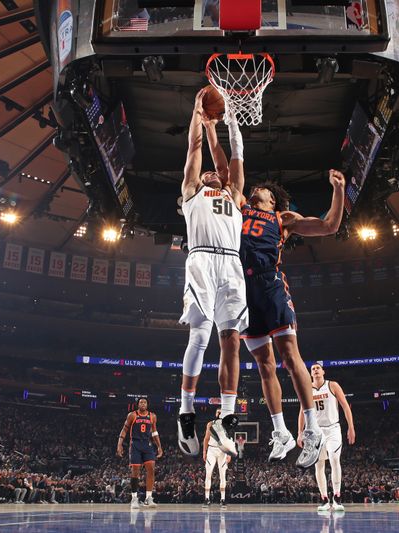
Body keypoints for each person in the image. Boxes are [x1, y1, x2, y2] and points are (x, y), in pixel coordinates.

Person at [202, 110, 346, 468]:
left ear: (273, 200)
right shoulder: (237, 206)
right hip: (240, 288)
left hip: (269, 284)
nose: (254, 192)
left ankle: (311, 429)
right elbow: (222, 164)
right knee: (264, 365)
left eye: (260, 192)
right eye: (253, 191)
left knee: (288, 356)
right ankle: (281, 431)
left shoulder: (284, 219)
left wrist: (339, 191)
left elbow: (329, 226)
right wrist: (209, 128)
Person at [176, 89, 247, 459]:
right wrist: (197, 114)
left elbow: (234, 154)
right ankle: (186, 410)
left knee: (231, 340)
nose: (209, 172)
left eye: (213, 171)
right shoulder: (191, 192)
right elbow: (193, 149)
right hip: (202, 261)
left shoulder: (235, 193)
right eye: (205, 172)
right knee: (200, 337)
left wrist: (231, 115)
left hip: (232, 264)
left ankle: (228, 419)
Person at [299, 364, 355, 512]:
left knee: (334, 458)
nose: (316, 370)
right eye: (313, 369)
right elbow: (302, 412)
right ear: (311, 374)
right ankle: (324, 499)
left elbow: (345, 406)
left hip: (333, 429)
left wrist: (351, 427)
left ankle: (337, 497)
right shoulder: (307, 389)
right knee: (319, 465)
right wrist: (300, 432)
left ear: (323, 371)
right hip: (316, 431)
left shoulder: (333, 385)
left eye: (318, 368)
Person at [117, 398, 163, 508]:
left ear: (147, 404)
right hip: (135, 444)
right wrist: (119, 444)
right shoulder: (132, 415)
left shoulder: (152, 416)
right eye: (141, 402)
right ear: (137, 405)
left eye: (145, 402)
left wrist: (159, 446)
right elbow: (124, 429)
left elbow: (154, 432)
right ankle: (134, 498)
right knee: (135, 471)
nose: (143, 404)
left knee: (151, 469)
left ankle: (148, 498)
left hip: (147, 445)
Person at [202, 409, 230, 509]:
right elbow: (206, 438)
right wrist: (204, 451)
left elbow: (228, 440)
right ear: (215, 413)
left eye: (220, 412)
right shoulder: (210, 424)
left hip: (222, 451)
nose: (219, 413)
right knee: (208, 474)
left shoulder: (227, 425)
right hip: (212, 450)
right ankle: (206, 498)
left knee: (223, 475)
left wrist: (229, 454)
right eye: (217, 412)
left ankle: (222, 499)